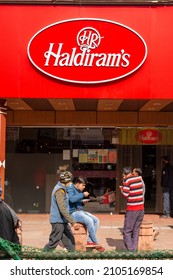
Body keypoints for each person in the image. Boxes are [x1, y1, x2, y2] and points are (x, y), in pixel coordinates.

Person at [43, 170, 79, 251]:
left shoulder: (63, 189)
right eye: (70, 181)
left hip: (63, 221)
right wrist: (73, 222)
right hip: (58, 222)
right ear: (66, 181)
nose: (71, 183)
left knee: (70, 241)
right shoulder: (59, 191)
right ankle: (39, 259)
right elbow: (62, 208)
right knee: (53, 242)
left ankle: (73, 259)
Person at [67, 176, 105, 252]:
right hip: (72, 213)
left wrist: (82, 202)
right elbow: (72, 199)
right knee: (89, 221)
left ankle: (90, 241)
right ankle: (95, 242)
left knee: (96, 220)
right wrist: (83, 195)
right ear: (77, 183)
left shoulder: (79, 190)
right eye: (83, 185)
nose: (84, 187)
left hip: (79, 211)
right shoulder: (70, 188)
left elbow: (77, 202)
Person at [119, 167, 145, 251]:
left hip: (132, 208)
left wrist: (122, 189)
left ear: (124, 174)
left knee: (127, 230)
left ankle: (130, 249)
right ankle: (134, 248)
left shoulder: (127, 180)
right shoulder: (139, 178)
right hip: (141, 208)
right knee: (136, 230)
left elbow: (125, 195)